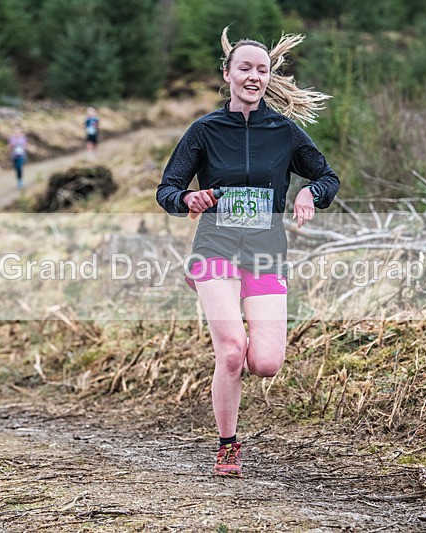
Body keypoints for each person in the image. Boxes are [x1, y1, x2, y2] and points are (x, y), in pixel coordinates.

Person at [156, 28, 339, 476]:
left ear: (268, 76)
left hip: (265, 251)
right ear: (229, 74)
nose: (253, 76)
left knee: (265, 362)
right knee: (233, 351)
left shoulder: (283, 131)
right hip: (215, 246)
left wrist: (309, 194)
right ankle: (227, 445)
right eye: (245, 68)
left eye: (262, 69)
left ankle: (235, 395)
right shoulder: (205, 130)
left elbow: (328, 178)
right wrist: (188, 200)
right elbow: (168, 189)